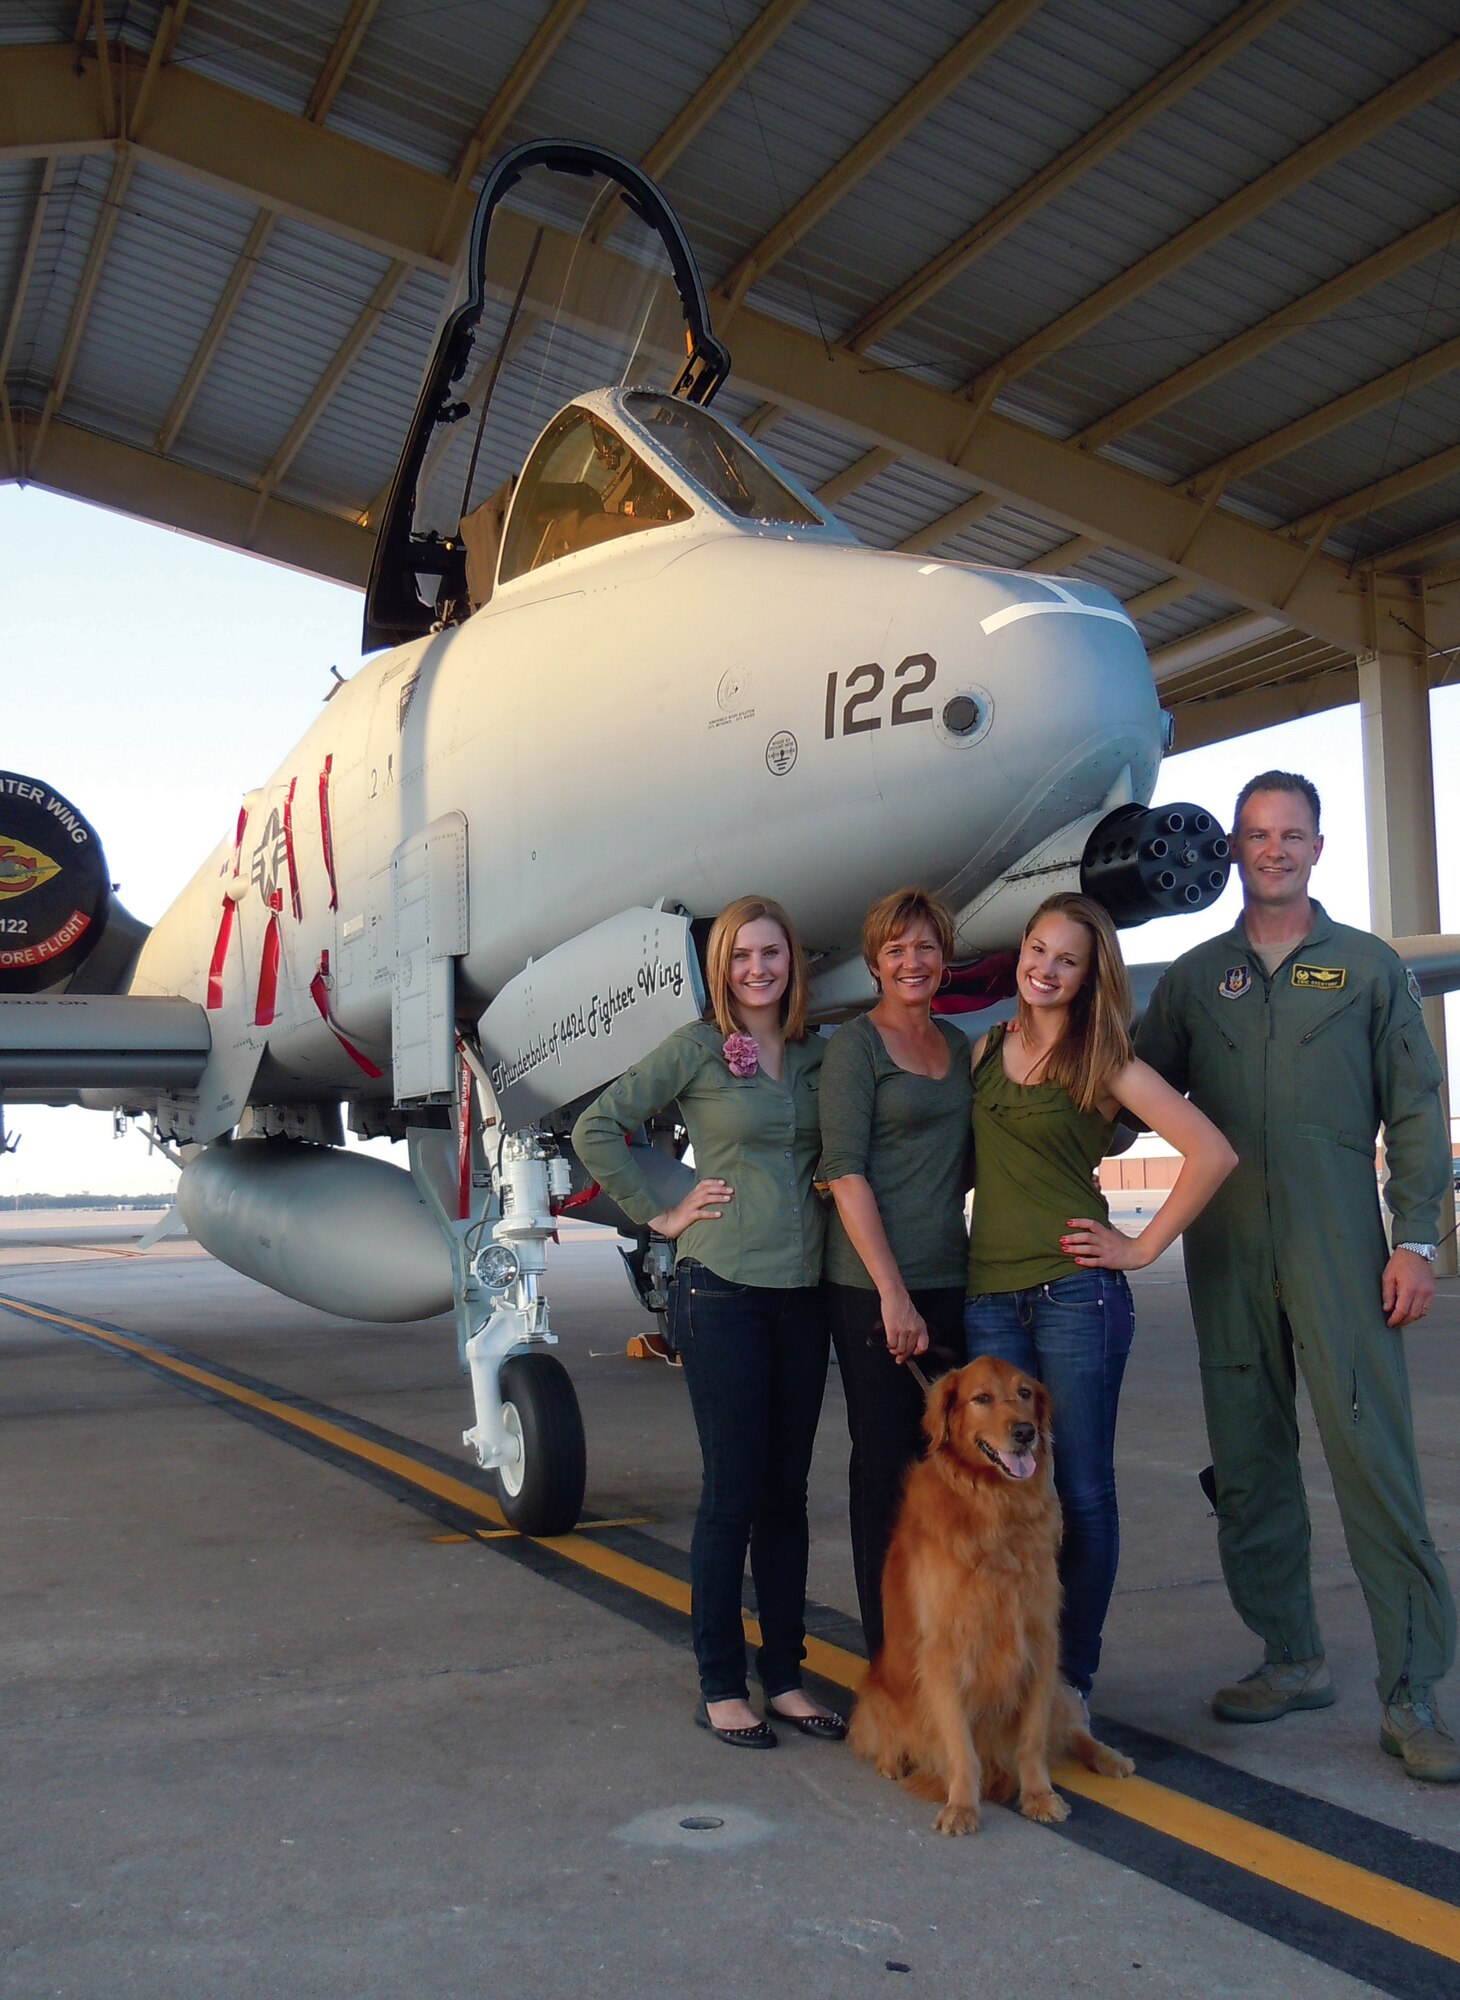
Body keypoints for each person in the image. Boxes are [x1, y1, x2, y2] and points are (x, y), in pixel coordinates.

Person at [1137, 771, 1457, 1781]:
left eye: (1290, 834)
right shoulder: (1191, 979)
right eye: (1254, 834)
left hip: (1338, 1245)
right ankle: (1288, 1655)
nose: (1271, 849)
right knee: (1247, 1457)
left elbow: (1414, 1107)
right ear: (1232, 849)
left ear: (1316, 847)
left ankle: (1410, 1689)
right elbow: (1122, 1091)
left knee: (1373, 1457)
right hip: (1223, 1246)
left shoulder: (1365, 969)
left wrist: (1414, 1238)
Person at [571, 895, 845, 1748]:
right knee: (732, 1493)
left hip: (804, 1292)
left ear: (792, 963)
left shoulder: (815, 1054)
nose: (758, 969)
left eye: (771, 953)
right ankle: (722, 1684)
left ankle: (788, 1678)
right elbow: (598, 1127)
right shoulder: (696, 1048)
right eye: (740, 956)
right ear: (721, 969)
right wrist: (659, 1210)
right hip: (722, 1288)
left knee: (787, 1499)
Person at [964, 891, 1236, 1710]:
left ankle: (1072, 1677)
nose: (1044, 969)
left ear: (1089, 976)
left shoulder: (1104, 1061)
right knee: (1005, 1497)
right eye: (1037, 950)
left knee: (1078, 1490)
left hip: (1076, 1297)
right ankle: (1012, 1666)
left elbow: (1211, 1151)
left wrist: (1141, 1247)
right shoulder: (983, 1051)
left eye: (1066, 960)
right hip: (988, 1301)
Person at [818, 886, 973, 1656]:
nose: (912, 962)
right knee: (888, 1474)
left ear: (945, 957)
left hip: (952, 1280)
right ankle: (891, 1664)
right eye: (896, 949)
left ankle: (943, 1653)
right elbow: (844, 1172)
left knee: (952, 1477)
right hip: (875, 1288)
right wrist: (892, 1294)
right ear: (875, 963)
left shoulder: (960, 1046)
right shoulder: (857, 1047)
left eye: (925, 947)